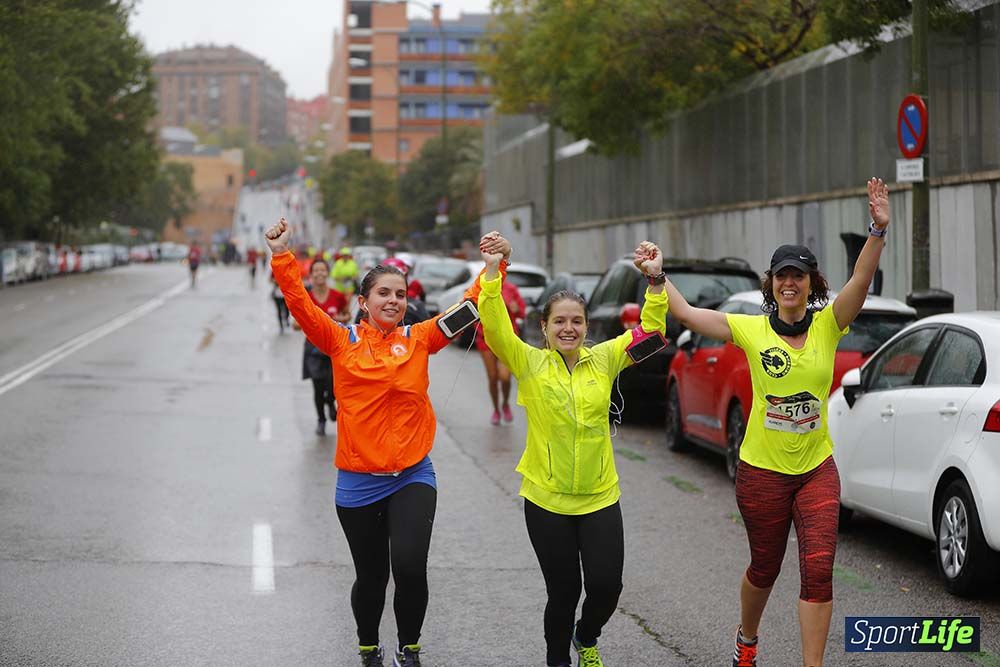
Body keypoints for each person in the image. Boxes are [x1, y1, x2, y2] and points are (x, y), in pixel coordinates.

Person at [656, 178, 891, 667]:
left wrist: (877, 230)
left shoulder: (830, 323)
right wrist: (658, 277)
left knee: (819, 568)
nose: (790, 282)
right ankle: (747, 636)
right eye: (782, 275)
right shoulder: (750, 327)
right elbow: (688, 314)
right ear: (771, 283)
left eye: (799, 275)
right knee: (765, 568)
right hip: (761, 470)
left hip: (815, 469)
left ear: (811, 283)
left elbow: (862, 281)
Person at [265, 217, 502, 667]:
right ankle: (368, 647)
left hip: (413, 473)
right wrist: (282, 255)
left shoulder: (420, 338)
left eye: (401, 294)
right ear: (363, 301)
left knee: (410, 568)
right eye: (384, 293)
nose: (394, 300)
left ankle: (409, 649)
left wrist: (492, 268)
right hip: (358, 481)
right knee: (371, 577)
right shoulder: (340, 340)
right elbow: (300, 304)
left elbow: (472, 305)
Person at [478, 231, 668, 667]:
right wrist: (493, 271)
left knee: (606, 586)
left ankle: (587, 636)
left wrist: (655, 282)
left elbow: (651, 330)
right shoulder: (529, 362)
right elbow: (493, 326)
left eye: (576, 321)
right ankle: (556, 660)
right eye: (559, 322)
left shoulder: (604, 359)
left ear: (586, 326)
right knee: (562, 591)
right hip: (547, 500)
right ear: (543, 328)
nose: (569, 329)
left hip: (600, 496)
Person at [297, 257, 350, 435]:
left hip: (335, 347)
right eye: (316, 271)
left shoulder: (337, 296)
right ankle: (321, 420)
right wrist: (308, 324)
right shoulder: (307, 297)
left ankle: (330, 403)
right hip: (313, 349)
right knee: (318, 386)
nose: (320, 273)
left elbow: (347, 315)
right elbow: (296, 323)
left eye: (323, 270)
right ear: (311, 275)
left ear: (328, 273)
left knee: (334, 385)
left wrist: (335, 320)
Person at [475, 277, 525, 425]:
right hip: (485, 339)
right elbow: (470, 312)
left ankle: (505, 404)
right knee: (492, 377)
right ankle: (496, 409)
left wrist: (516, 309)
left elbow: (522, 312)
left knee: (504, 377)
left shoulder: (511, 289)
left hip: (506, 340)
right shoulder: (479, 287)